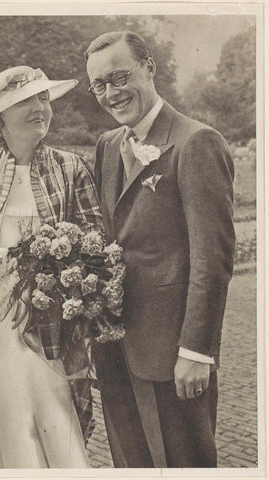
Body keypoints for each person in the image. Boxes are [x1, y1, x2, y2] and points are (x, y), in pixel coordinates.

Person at [86, 31, 236, 468]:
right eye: (99, 84)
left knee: (186, 464)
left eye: (119, 77)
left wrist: (196, 351)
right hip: (115, 350)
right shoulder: (107, 145)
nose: (111, 93)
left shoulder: (197, 142)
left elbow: (213, 260)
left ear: (149, 69)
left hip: (173, 354)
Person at [0, 65, 102, 468]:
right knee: (7, 439)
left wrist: (58, 291)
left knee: (62, 436)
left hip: (49, 329)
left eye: (43, 98)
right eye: (25, 101)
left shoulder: (71, 169)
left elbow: (96, 252)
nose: (39, 108)